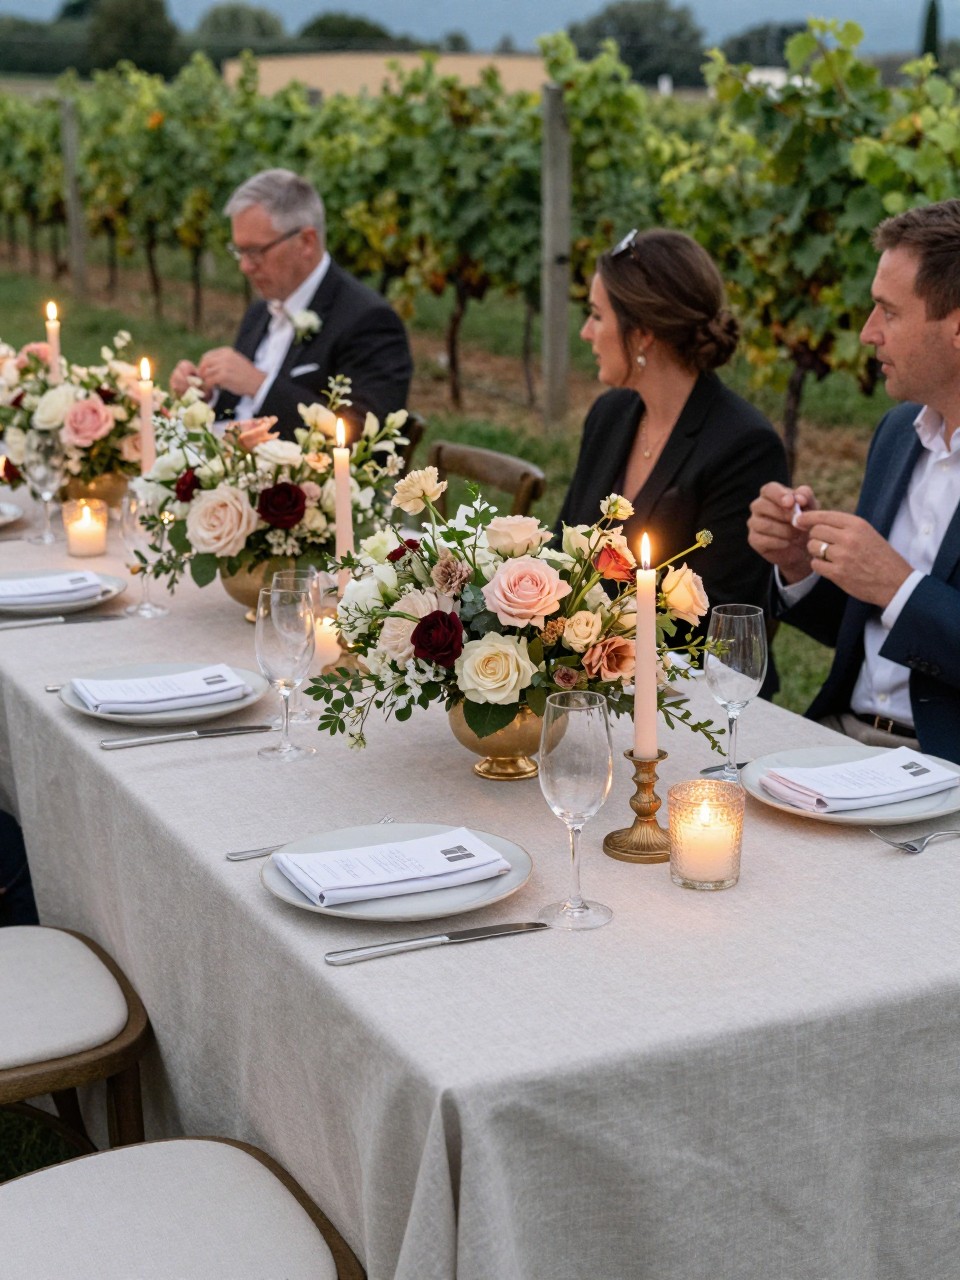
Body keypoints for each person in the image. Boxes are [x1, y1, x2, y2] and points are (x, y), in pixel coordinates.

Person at [747, 198, 960, 762]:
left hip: (942, 765)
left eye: (888, 312)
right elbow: (864, 625)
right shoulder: (897, 434)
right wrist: (801, 565)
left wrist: (898, 585)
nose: (868, 333)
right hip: (837, 738)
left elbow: (896, 599)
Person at [556, 227, 789, 685]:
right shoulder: (610, 415)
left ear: (643, 334)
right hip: (592, 679)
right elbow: (561, 553)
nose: (586, 333)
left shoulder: (744, 446)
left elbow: (716, 625)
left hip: (693, 695)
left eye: (597, 317)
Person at [170, 169, 413, 439]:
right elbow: (237, 410)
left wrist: (260, 386)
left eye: (255, 251)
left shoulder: (369, 321)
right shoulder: (260, 312)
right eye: (239, 251)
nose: (245, 266)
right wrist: (206, 395)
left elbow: (362, 437)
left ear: (306, 242)